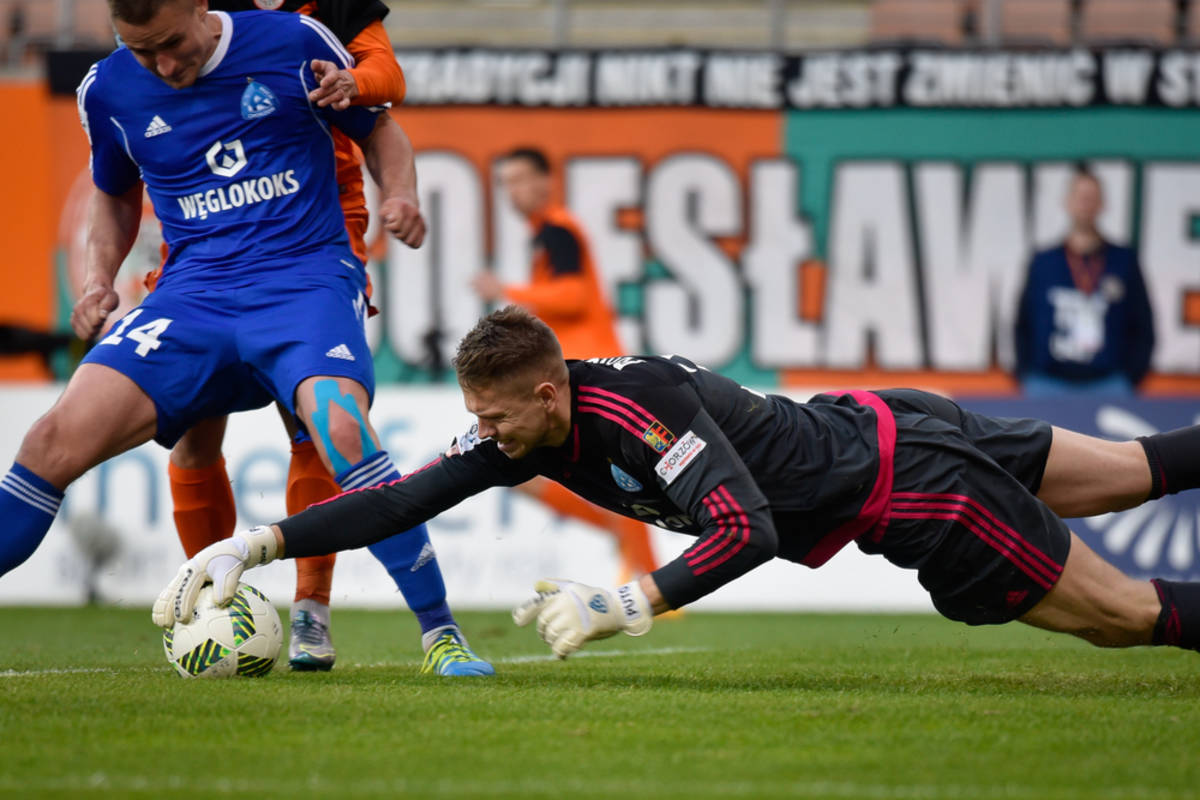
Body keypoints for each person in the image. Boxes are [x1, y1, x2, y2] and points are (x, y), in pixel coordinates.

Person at [156, 306, 1200, 663]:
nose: (485, 435)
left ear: (549, 393)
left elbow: (746, 531)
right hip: (885, 419)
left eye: (498, 416)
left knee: (1126, 617)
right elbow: (401, 498)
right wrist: (259, 542)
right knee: (1143, 469)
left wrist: (626, 602)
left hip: (914, 482)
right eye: (479, 417)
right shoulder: (530, 430)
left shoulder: (635, 412)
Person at [0, 0, 491, 675]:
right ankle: (215, 599)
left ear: (200, 8)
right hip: (191, 296)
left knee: (341, 431)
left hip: (304, 279)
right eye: (142, 51)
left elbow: (379, 128)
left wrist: (400, 195)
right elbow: (114, 193)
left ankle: (440, 634)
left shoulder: (293, 41)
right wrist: (95, 281)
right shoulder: (108, 88)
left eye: (172, 43)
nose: (162, 65)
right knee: (48, 441)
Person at [145, 0, 462, 674]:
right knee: (196, 433)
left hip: (315, 231)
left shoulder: (333, 7)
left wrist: (356, 84)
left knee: (320, 429)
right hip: (208, 239)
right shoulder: (192, 17)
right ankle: (211, 597)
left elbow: (385, 78)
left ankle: (313, 608)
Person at [470, 147, 659, 582]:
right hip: (569, 372)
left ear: (546, 181)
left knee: (608, 473)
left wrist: (508, 291)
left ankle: (650, 578)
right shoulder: (546, 234)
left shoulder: (559, 229)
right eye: (506, 183)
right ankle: (631, 550)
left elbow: (574, 297)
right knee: (538, 475)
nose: (513, 191)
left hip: (590, 370)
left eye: (521, 179)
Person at [1014, 165, 1155, 396]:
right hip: (1048, 384)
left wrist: (1130, 378)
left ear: (1102, 204)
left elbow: (1143, 325)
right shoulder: (1043, 262)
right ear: (1067, 202)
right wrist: (1025, 374)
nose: (1085, 204)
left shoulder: (1123, 261)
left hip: (1108, 384)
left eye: (1091, 198)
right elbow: (1022, 324)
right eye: (1080, 197)